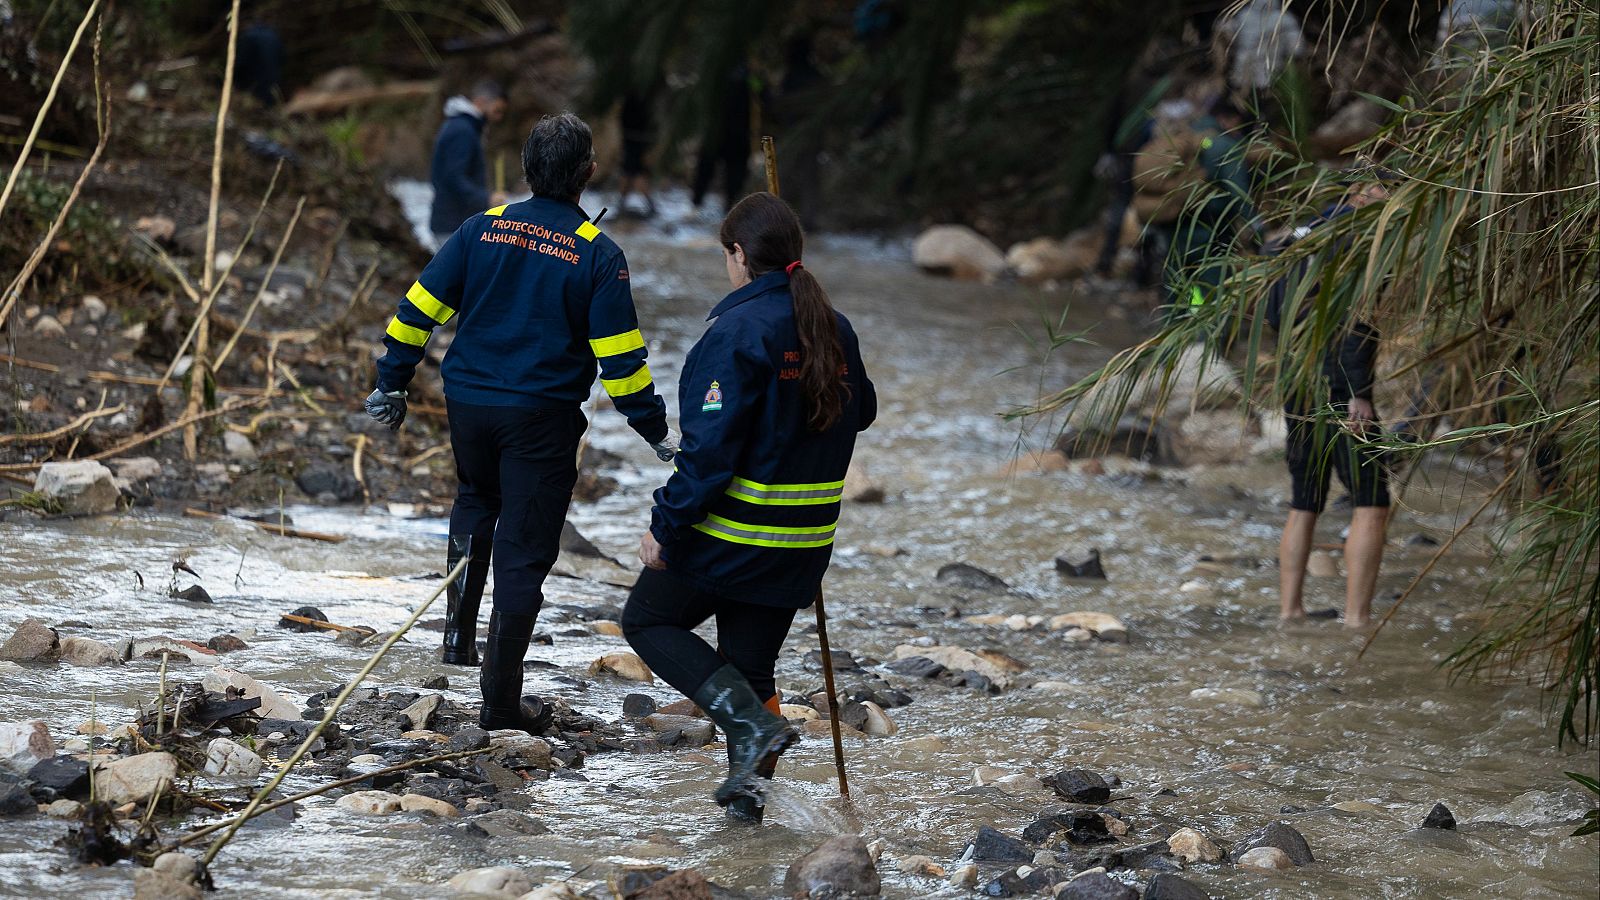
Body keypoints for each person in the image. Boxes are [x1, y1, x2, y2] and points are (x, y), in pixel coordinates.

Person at [366, 113, 678, 732]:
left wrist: (390, 381)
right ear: (589, 173)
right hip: (540, 417)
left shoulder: (480, 229)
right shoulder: (598, 254)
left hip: (470, 404)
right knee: (524, 548)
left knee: (475, 499)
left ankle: (457, 640)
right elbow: (620, 360)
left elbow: (417, 308)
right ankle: (502, 705)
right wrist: (656, 430)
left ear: (524, 170)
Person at [621, 192, 875, 822]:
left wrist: (665, 526)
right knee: (751, 672)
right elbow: (862, 411)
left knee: (647, 621)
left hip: (733, 537)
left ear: (738, 255)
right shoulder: (832, 326)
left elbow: (707, 457)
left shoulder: (736, 332)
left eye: (726, 256)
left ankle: (746, 726)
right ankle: (745, 823)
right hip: (801, 546)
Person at [1266, 178, 1391, 627]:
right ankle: (1357, 619)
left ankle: (1290, 611)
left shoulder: (1295, 240)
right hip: (1342, 388)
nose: (1391, 205)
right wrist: (1360, 392)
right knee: (1371, 501)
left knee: (1304, 501)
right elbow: (1356, 322)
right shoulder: (1358, 242)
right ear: (1360, 192)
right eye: (1385, 194)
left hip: (1297, 382)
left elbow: (1273, 312)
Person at [429, 81, 507, 249]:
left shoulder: (464, 128)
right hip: (452, 224)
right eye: (497, 110)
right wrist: (486, 198)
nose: (498, 117)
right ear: (480, 102)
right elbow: (452, 178)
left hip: (457, 222)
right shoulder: (462, 130)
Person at [691, 61, 753, 214]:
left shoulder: (717, 77)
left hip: (722, 134)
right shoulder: (747, 77)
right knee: (730, 173)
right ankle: (725, 204)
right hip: (735, 135)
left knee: (709, 169)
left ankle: (699, 203)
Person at [617, 89, 658, 219]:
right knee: (636, 172)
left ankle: (623, 203)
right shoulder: (645, 92)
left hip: (634, 138)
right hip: (636, 138)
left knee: (633, 172)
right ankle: (626, 203)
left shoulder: (636, 92)